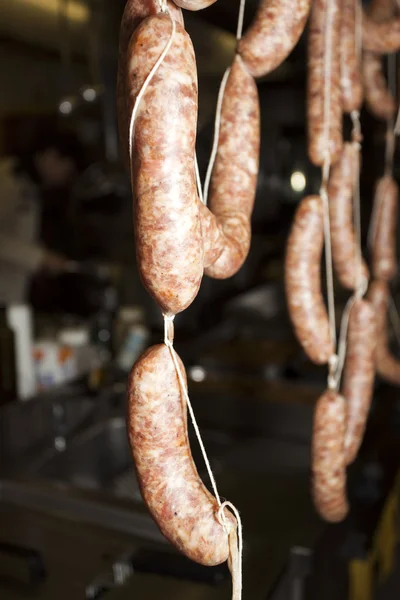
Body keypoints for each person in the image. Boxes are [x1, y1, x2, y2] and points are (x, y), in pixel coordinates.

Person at [0, 131, 84, 305]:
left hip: (12, 291)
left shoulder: (30, 185)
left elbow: (19, 235)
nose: (63, 179)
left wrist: (45, 257)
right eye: (65, 170)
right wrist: (40, 258)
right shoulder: (7, 180)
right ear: (50, 156)